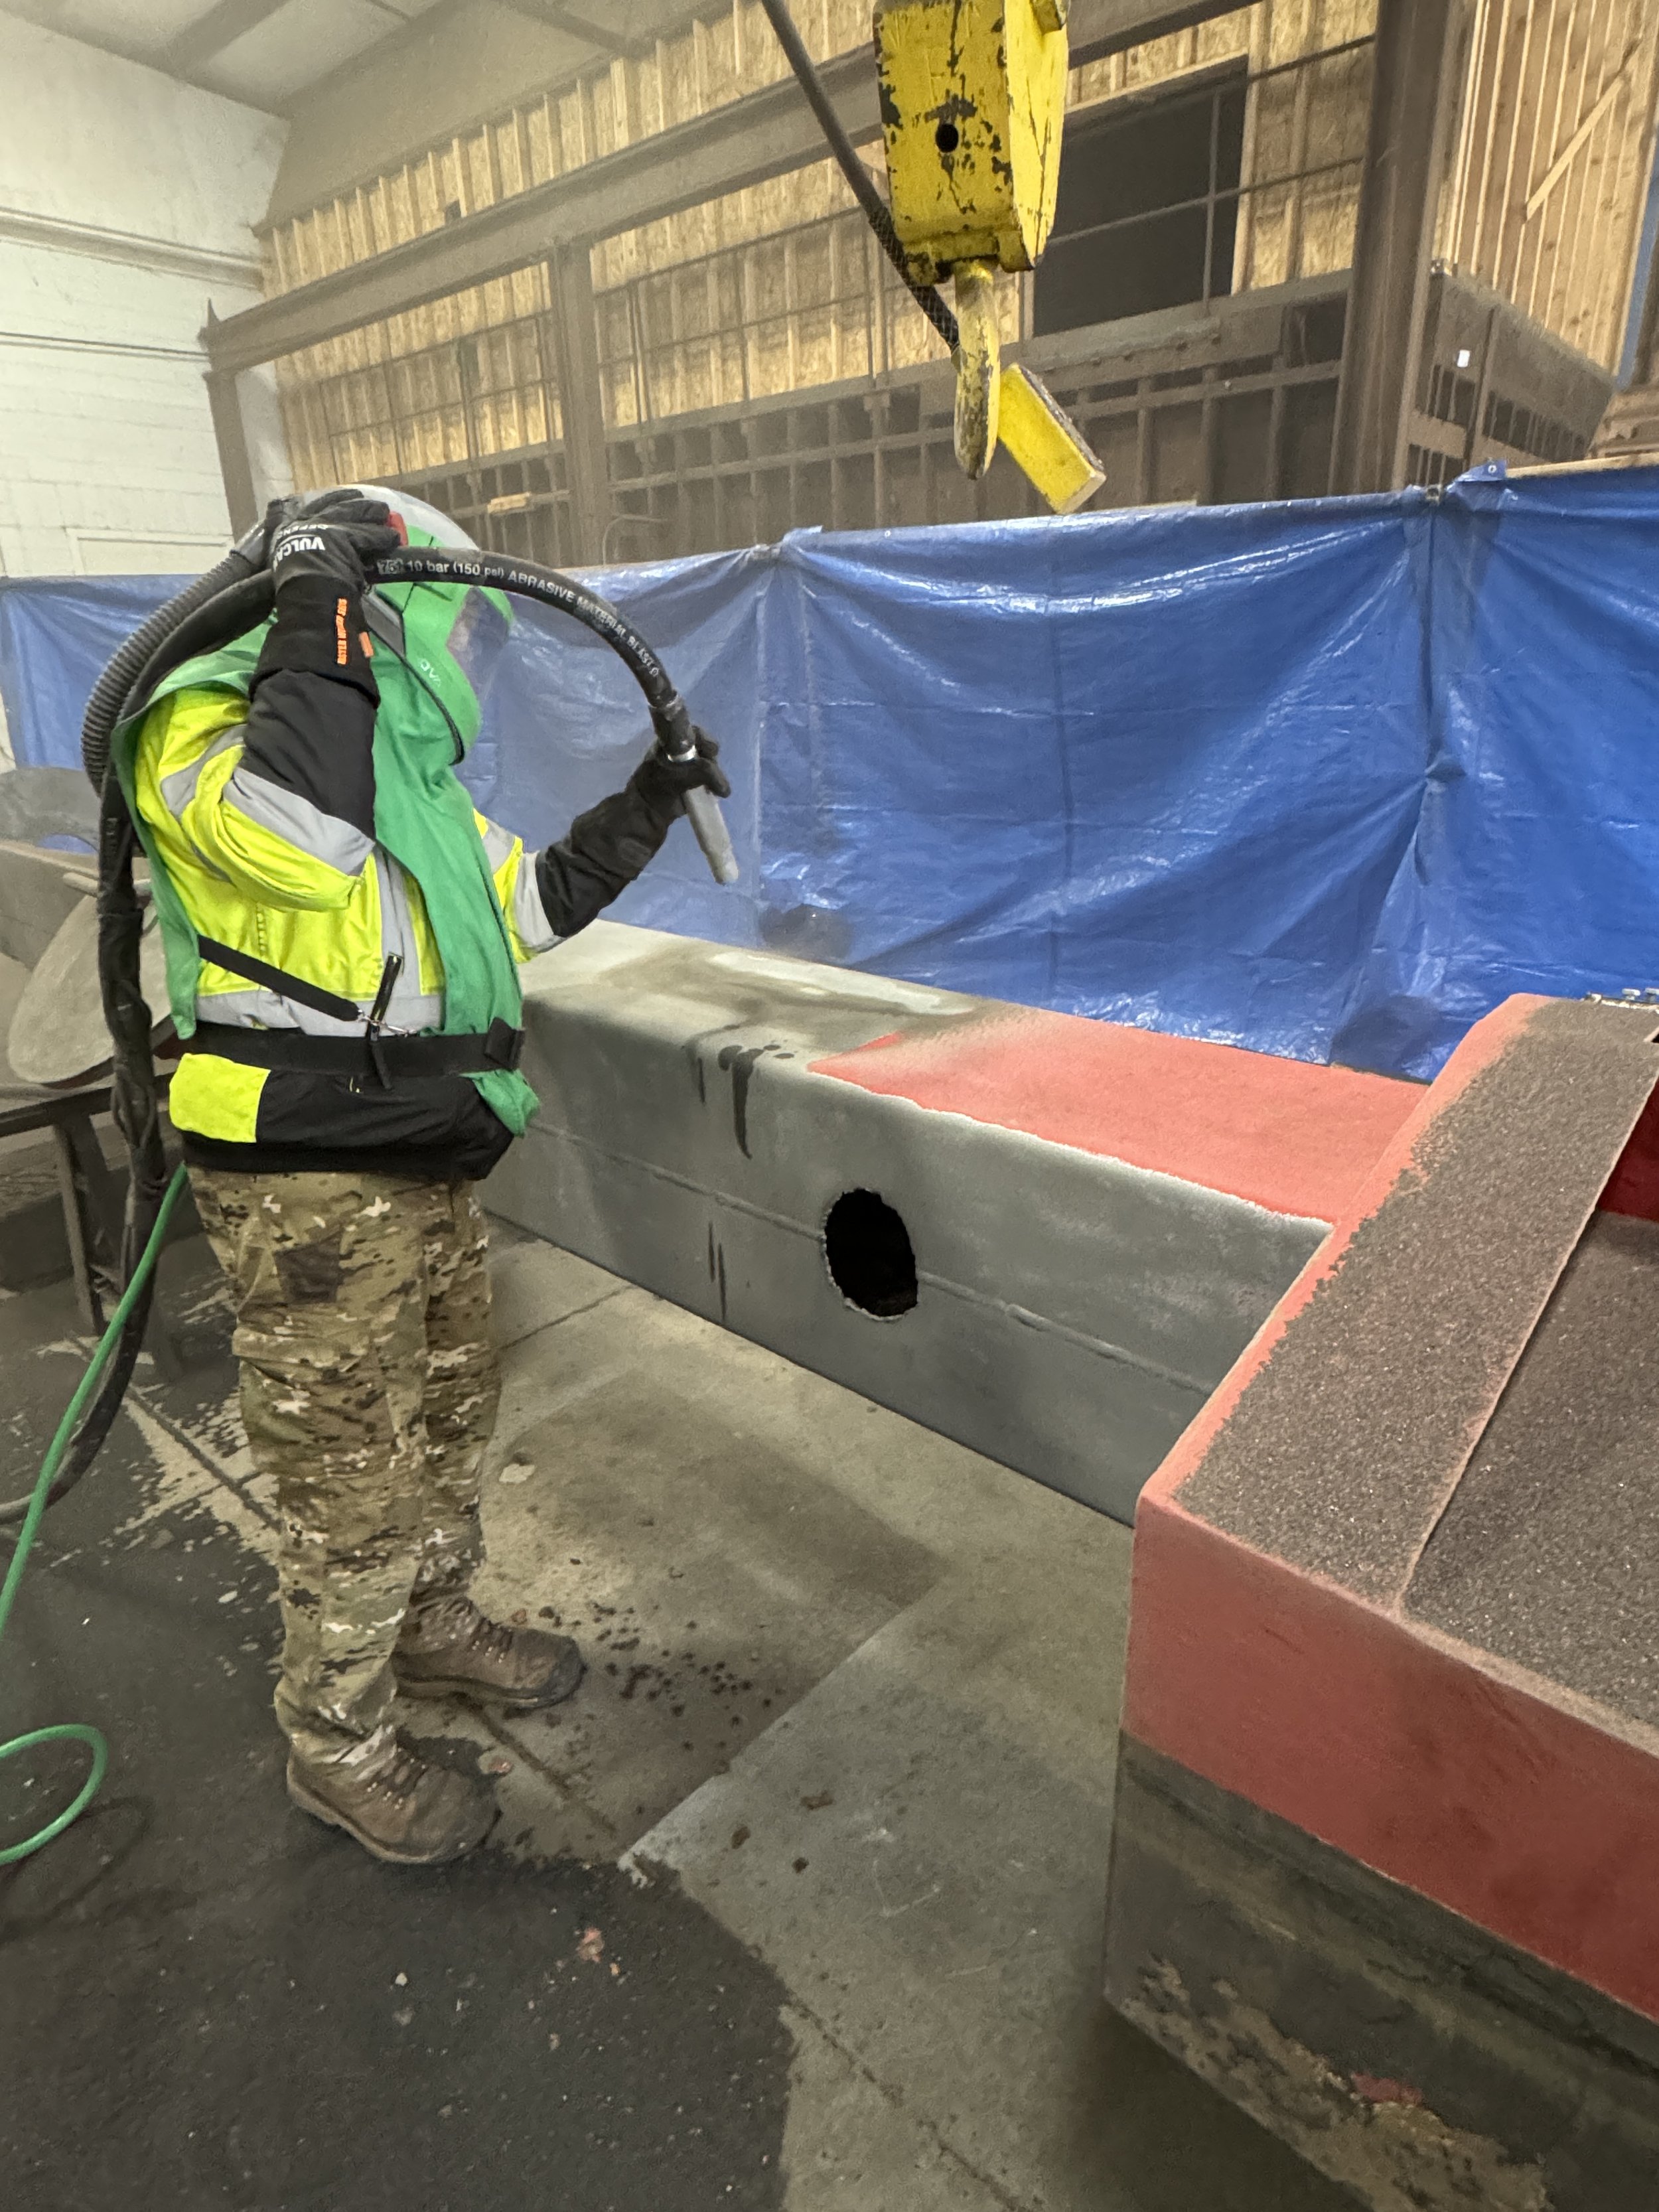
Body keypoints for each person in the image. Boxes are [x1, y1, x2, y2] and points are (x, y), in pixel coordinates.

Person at [117, 487, 729, 1866]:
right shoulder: (202, 730)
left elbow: (515, 905)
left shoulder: (406, 777)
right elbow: (292, 839)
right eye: (443, 623)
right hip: (307, 1182)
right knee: (347, 1474)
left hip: (422, 1157)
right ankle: (336, 1743)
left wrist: (643, 807)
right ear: (363, 612)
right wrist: (315, 619)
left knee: (447, 1417)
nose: (457, 657)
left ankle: (434, 1626)